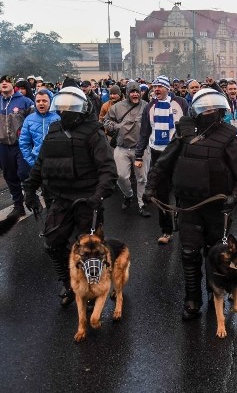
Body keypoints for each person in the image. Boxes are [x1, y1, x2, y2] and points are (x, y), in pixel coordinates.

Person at [142, 88, 237, 319]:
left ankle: (214, 295)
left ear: (222, 110)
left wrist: (234, 197)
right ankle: (192, 300)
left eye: (214, 108)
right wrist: (150, 187)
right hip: (188, 206)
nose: (209, 112)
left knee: (214, 255)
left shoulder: (230, 138)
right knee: (188, 253)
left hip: (217, 209)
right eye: (205, 108)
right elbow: (163, 163)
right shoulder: (184, 133)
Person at [22, 82, 117, 307]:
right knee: (52, 244)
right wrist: (29, 188)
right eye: (62, 107)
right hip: (60, 198)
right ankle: (69, 284)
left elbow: (107, 169)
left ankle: (93, 289)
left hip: (87, 199)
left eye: (70, 107)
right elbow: (41, 163)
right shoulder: (54, 130)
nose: (66, 111)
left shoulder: (94, 132)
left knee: (90, 251)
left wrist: (98, 196)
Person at [135, 75, 189, 244]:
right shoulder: (149, 107)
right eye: (154, 87)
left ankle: (183, 222)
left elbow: (189, 127)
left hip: (178, 153)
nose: (156, 89)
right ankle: (166, 231)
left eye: (160, 86)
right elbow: (144, 132)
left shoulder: (180, 103)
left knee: (182, 190)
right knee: (161, 194)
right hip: (158, 154)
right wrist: (138, 155)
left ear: (168, 88)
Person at [0, 75, 34, 218]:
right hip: (3, 146)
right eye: (1, 82)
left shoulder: (26, 102)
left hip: (21, 145)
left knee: (24, 173)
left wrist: (26, 136)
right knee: (10, 176)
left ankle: (32, 198)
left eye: (7, 82)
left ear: (14, 86)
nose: (4, 84)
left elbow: (33, 121)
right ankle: (18, 206)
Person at [104, 81, 150, 217]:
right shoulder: (117, 107)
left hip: (141, 148)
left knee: (142, 178)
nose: (135, 94)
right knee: (121, 176)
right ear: (127, 93)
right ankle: (129, 195)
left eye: (137, 91)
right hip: (122, 147)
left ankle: (141, 204)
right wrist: (117, 127)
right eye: (132, 91)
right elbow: (106, 121)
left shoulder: (146, 106)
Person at [19, 88, 61, 208]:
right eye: (38, 101)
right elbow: (24, 143)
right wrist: (32, 162)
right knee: (47, 196)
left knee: (59, 197)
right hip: (39, 164)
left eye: (44, 100)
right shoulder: (29, 119)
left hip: (57, 164)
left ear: (50, 102)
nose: (41, 103)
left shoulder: (58, 119)